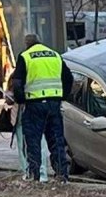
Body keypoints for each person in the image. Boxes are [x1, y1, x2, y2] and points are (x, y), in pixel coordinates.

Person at [11, 34, 73, 183]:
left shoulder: (25, 56)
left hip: (34, 105)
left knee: (33, 141)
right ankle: (62, 175)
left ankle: (35, 176)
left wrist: (21, 99)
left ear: (27, 44)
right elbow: (69, 78)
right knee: (56, 140)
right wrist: (62, 95)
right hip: (54, 104)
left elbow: (17, 82)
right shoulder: (55, 55)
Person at [4, 78, 52, 183]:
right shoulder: (18, 76)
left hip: (30, 114)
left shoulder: (21, 76)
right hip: (24, 115)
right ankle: (32, 173)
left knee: (32, 145)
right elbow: (9, 96)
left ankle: (36, 173)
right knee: (28, 145)